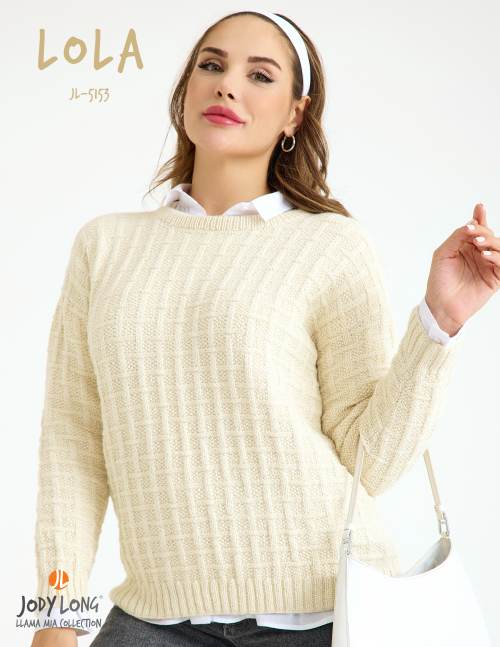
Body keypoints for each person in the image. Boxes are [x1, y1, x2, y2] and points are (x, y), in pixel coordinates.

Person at [30, 9, 499, 647]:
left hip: (326, 616)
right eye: (212, 66)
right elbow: (72, 445)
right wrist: (56, 616)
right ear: (186, 89)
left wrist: (439, 322)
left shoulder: (330, 246)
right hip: (153, 620)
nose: (227, 86)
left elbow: (372, 461)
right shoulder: (104, 246)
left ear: (294, 115)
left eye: (259, 75)